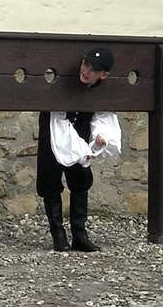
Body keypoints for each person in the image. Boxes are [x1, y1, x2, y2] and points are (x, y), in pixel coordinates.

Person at [37, 47, 121, 252]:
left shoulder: (100, 91)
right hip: (52, 129)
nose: (87, 71)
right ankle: (58, 234)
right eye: (86, 64)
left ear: (104, 75)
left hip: (81, 132)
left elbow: (102, 114)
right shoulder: (63, 82)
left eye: (94, 70)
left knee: (80, 180)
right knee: (50, 179)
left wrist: (100, 135)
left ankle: (79, 234)